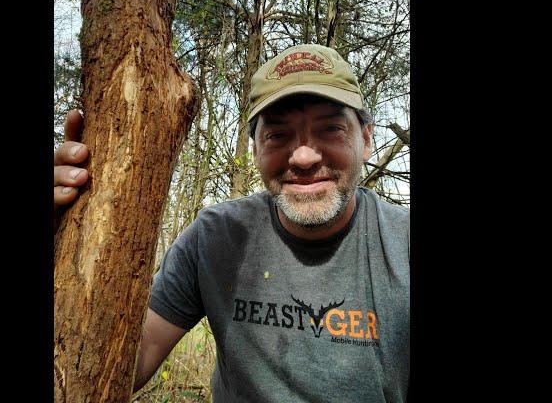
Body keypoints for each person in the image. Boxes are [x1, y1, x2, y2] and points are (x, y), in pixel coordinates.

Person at [54, 44, 409, 402]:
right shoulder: (215, 237)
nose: (303, 156)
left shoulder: (403, 245)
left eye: (331, 128)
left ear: (365, 140)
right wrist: (67, 242)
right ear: (255, 149)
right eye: (277, 135)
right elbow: (121, 363)